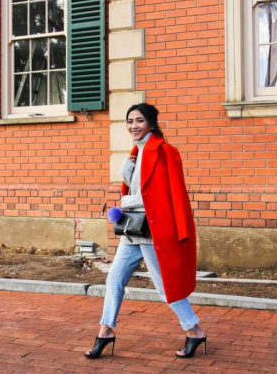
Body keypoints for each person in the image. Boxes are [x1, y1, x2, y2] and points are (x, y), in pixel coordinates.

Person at [84, 103, 207, 359]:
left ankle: (194, 330)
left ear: (150, 123)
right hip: (133, 229)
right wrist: (126, 169)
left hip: (152, 231)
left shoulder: (166, 152)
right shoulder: (136, 153)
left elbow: (176, 194)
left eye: (139, 120)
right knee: (114, 279)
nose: (133, 126)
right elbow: (134, 189)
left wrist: (181, 231)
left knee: (165, 287)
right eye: (130, 121)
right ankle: (105, 331)